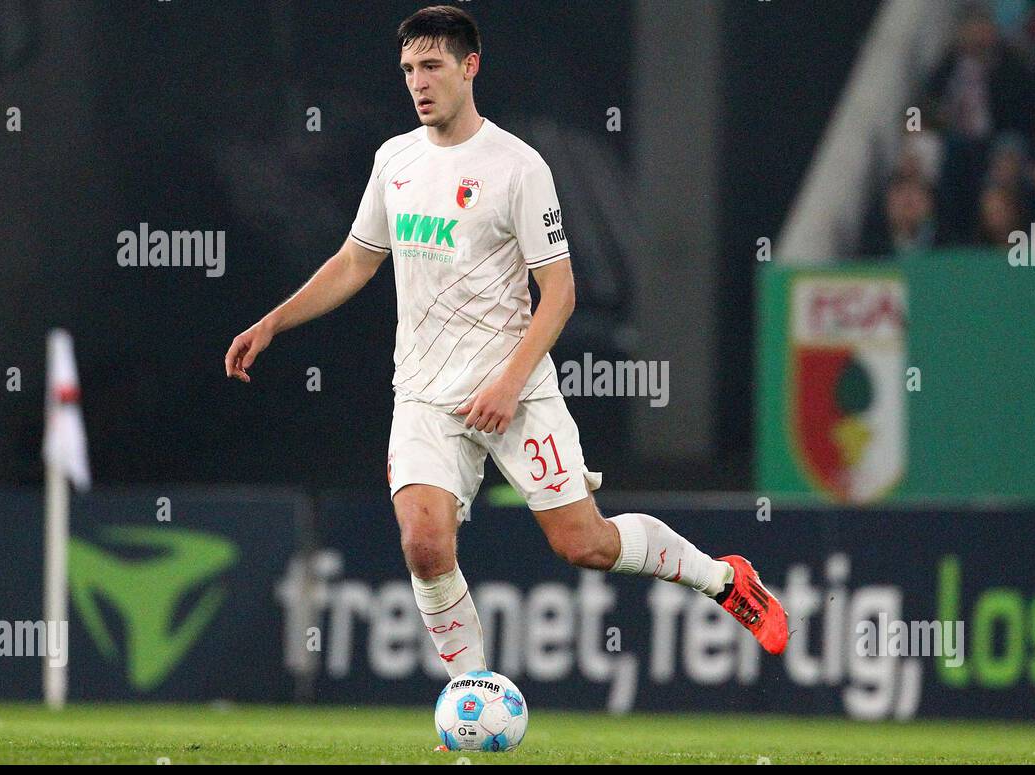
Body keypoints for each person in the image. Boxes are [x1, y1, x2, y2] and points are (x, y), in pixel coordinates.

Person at [222, 6, 789, 684]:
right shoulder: (394, 161)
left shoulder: (518, 168)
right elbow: (355, 261)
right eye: (408, 70)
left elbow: (561, 291)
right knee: (424, 544)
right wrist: (273, 322)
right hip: (426, 395)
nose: (418, 83)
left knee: (584, 544)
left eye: (432, 66)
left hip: (514, 389)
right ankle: (472, 691)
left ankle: (725, 579)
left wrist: (509, 382)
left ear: (470, 67)